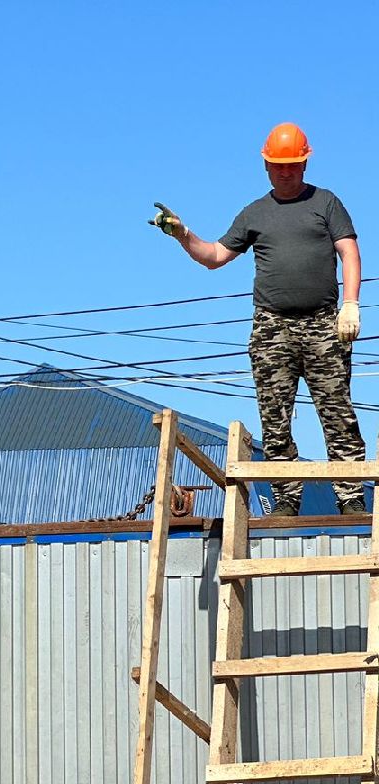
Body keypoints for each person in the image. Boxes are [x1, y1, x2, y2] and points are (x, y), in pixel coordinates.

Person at [151, 122, 364, 516]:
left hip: (323, 323)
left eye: (294, 165)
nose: (287, 172)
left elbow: (349, 253)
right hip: (272, 328)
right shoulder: (255, 213)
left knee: (337, 413)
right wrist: (182, 234)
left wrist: (351, 303)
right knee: (275, 417)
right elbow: (215, 256)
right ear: (267, 166)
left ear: (305, 164)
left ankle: (351, 499)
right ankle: (285, 500)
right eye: (279, 166)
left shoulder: (326, 203)